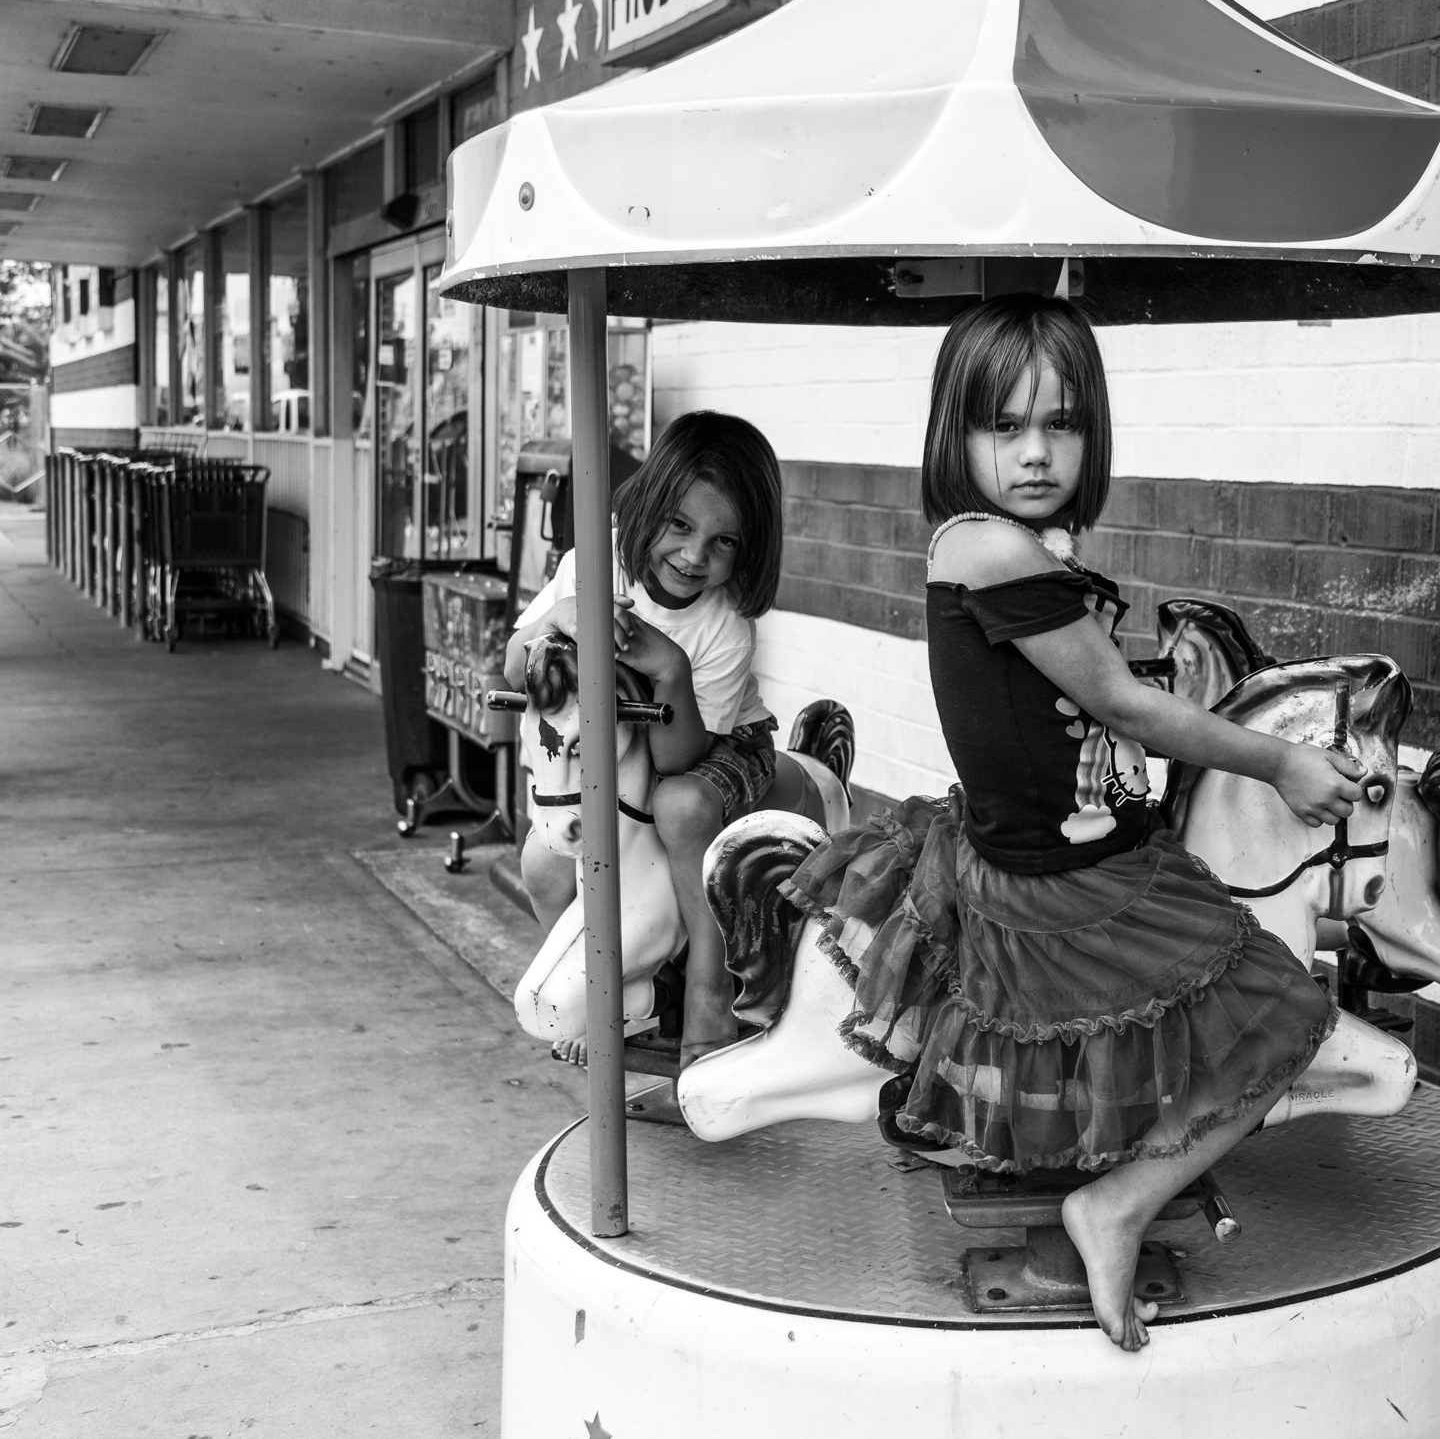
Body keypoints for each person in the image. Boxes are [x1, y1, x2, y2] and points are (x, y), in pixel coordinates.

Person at [780, 296, 1359, 1352]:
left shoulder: (1027, 548)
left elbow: (1078, 700)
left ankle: (1118, 1196)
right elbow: (1124, 709)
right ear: (954, 436)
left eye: (1061, 423)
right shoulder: (987, 550)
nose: (1036, 451)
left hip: (1090, 846)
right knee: (1283, 1015)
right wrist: (1278, 758)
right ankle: (1119, 1203)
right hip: (1059, 885)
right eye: (1004, 427)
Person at [504, 410, 785, 1073]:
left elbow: (680, 761)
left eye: (724, 543)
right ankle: (612, 996)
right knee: (542, 863)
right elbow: (516, 667)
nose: (694, 556)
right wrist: (556, 618)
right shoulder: (592, 563)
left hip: (715, 741)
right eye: (681, 526)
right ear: (649, 505)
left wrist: (672, 672)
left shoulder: (725, 627)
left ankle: (710, 992)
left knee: (680, 809)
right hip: (613, 740)